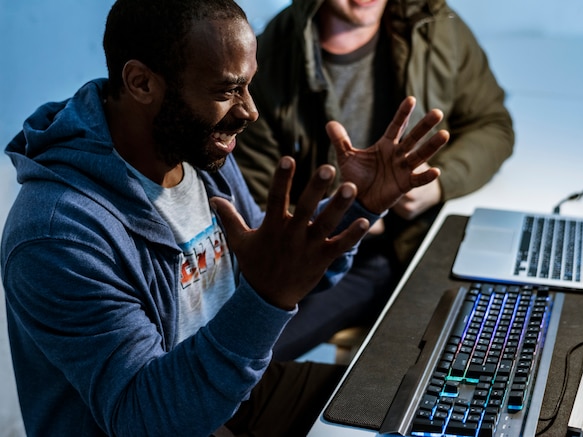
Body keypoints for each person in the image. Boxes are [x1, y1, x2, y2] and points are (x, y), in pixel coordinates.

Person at [0, 0, 449, 436]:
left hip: (233, 390)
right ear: (140, 83)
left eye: (249, 85)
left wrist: (360, 207)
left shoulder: (195, 150)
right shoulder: (58, 233)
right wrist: (266, 298)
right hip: (167, 414)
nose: (249, 111)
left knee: (419, 406)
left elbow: (281, 267)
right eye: (227, 90)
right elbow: (144, 417)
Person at [234, 0, 515, 360]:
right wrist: (356, 215)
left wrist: (438, 183)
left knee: (495, 357)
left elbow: (491, 124)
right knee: (249, 355)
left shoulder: (432, 24)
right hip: (335, 260)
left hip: (425, 236)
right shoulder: (268, 60)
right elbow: (260, 216)